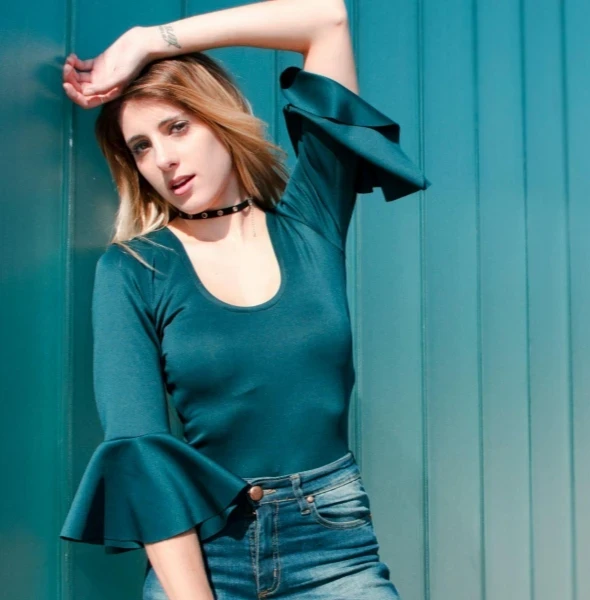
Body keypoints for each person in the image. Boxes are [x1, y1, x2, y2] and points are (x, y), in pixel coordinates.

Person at [57, 1, 430, 598]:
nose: (164, 159)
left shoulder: (311, 220)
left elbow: (325, 19)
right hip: (202, 556)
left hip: (333, 551)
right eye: (142, 147)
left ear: (218, 119)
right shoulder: (133, 270)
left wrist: (149, 40)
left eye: (177, 127)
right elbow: (141, 449)